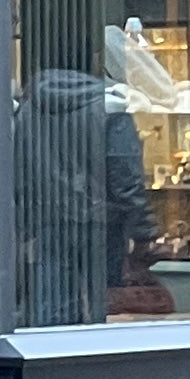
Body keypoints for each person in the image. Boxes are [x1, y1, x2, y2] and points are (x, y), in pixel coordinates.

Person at [19, 64, 154, 326]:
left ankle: (52, 363)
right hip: (101, 224)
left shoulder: (28, 107)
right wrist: (144, 231)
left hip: (45, 222)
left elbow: (18, 169)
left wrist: (25, 223)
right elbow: (125, 180)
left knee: (51, 313)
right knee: (102, 310)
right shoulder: (110, 107)